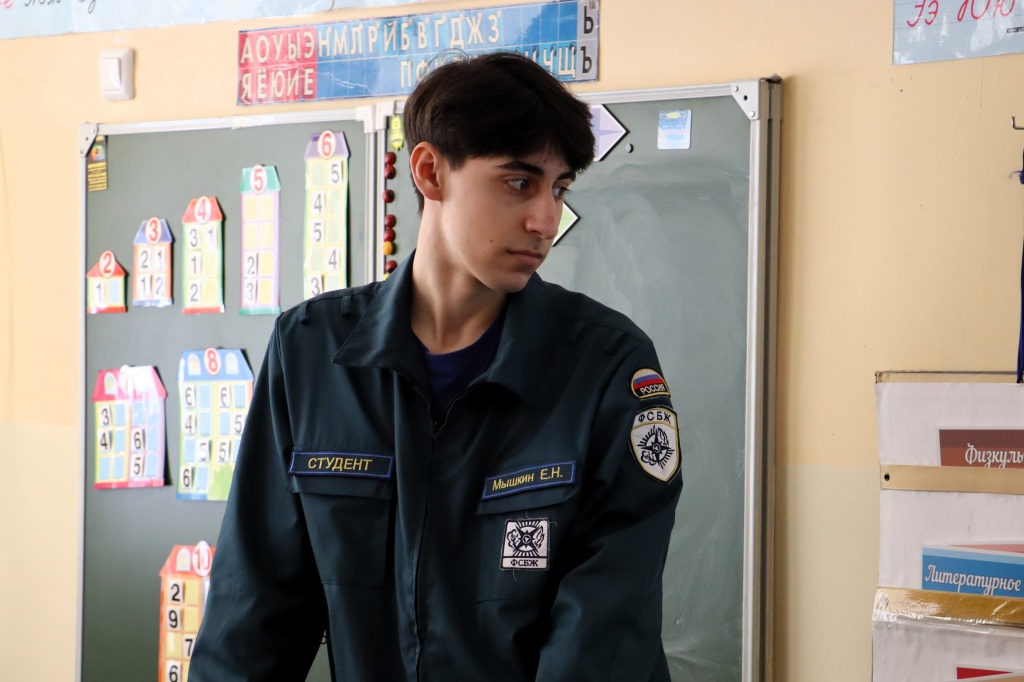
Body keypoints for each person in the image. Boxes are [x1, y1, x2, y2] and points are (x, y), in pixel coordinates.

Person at [190, 51, 683, 682]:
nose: (546, 220)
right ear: (429, 172)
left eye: (559, 189)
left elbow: (602, 632)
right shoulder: (310, 352)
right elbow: (252, 614)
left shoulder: (607, 365)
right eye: (519, 183)